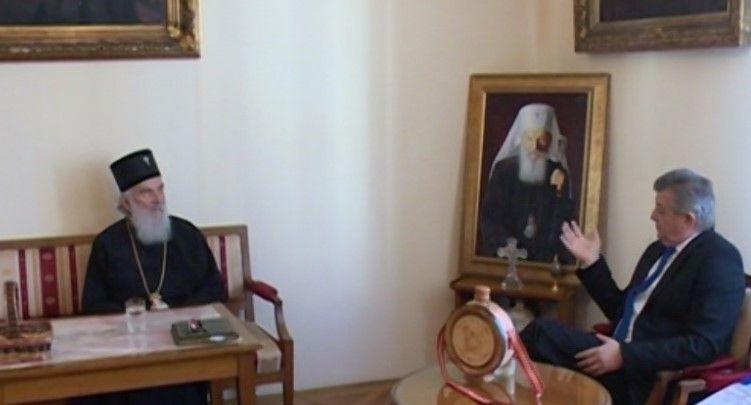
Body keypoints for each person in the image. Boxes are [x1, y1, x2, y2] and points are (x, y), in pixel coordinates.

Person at [519, 168, 746, 405]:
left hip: (645, 374)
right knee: (537, 349)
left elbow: (704, 345)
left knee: (541, 335)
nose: (652, 216)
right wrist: (592, 263)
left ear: (688, 219)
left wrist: (624, 355)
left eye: (661, 210)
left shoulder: (719, 260)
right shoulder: (657, 251)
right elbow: (622, 312)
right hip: (619, 356)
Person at [78, 148, 224, 405]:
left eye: (160, 189)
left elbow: (214, 288)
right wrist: (139, 318)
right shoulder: (107, 244)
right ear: (126, 203)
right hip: (128, 344)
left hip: (185, 340)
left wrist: (176, 316)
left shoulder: (187, 235)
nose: (158, 199)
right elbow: (93, 304)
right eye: (146, 192)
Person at [479, 103, 575, 263]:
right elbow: (491, 218)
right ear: (520, 139)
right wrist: (510, 248)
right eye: (529, 138)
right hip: (509, 258)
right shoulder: (503, 170)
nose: (534, 148)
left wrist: (559, 192)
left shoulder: (557, 172)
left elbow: (565, 223)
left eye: (542, 140)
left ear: (550, 141)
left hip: (544, 260)